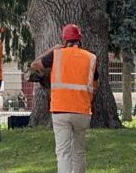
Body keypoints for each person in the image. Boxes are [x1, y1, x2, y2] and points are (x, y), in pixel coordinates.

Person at [30, 24, 98, 173]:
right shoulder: (91, 58)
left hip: (61, 110)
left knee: (63, 153)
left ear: (64, 38)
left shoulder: (56, 55)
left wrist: (52, 49)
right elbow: (95, 83)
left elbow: (34, 65)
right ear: (80, 39)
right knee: (79, 151)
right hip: (83, 110)